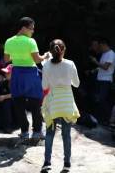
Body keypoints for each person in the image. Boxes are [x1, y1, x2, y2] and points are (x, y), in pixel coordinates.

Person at [4, 17, 50, 141]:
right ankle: (37, 131)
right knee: (35, 103)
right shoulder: (31, 41)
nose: (32, 31)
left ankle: (24, 131)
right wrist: (45, 56)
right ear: (24, 28)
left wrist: (17, 56)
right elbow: (36, 59)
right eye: (31, 29)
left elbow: (6, 59)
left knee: (19, 103)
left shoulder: (9, 41)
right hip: (30, 74)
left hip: (17, 73)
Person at [40, 39, 79, 173]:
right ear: (64, 50)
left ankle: (46, 163)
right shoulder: (70, 64)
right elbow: (76, 84)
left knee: (50, 133)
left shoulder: (46, 65)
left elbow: (44, 86)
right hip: (67, 102)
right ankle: (67, 164)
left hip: (53, 101)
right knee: (66, 134)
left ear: (50, 51)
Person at [90, 37, 114, 124]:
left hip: (106, 80)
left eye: (100, 46)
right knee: (98, 99)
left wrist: (95, 61)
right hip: (100, 79)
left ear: (104, 45)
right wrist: (94, 70)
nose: (99, 48)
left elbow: (105, 67)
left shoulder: (111, 54)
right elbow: (101, 67)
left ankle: (108, 118)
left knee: (102, 100)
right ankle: (100, 118)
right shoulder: (104, 54)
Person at [0, 65, 15, 133]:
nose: (6, 74)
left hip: (17, 104)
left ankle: (8, 126)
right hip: (7, 103)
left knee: (7, 102)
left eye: (8, 73)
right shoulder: (4, 83)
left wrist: (4, 97)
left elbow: (17, 94)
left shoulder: (18, 82)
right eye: (5, 72)